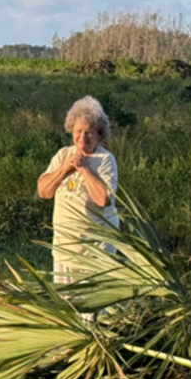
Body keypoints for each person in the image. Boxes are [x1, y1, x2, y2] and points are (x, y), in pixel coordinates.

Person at [36, 96, 119, 283]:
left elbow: (103, 200)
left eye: (89, 133)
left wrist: (84, 168)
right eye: (78, 131)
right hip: (64, 250)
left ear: (99, 134)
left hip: (95, 252)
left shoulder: (105, 160)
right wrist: (65, 168)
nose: (82, 138)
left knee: (91, 311)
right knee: (66, 308)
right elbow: (43, 191)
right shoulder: (63, 155)